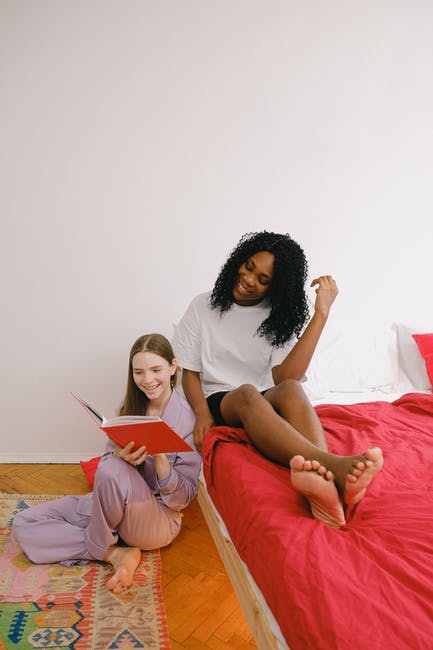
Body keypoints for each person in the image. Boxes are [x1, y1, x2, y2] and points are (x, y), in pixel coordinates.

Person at [172, 231, 383, 528]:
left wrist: (320, 313)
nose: (249, 280)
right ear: (239, 260)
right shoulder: (202, 305)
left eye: (263, 280)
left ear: (276, 287)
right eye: (248, 267)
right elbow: (190, 371)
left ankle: (325, 490)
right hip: (224, 398)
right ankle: (333, 466)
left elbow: (287, 376)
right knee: (247, 393)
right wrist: (202, 414)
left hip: (262, 398)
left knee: (291, 389)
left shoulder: (277, 317)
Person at [12, 334, 201, 592]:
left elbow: (183, 499)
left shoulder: (189, 419)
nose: (147, 380)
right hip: (112, 507)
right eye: (139, 372)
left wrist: (160, 460)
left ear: (172, 367)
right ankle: (114, 554)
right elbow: (106, 470)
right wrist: (118, 456)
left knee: (111, 468)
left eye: (156, 370)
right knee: (24, 524)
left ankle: (101, 542)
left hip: (155, 519)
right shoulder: (128, 406)